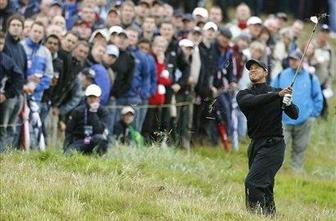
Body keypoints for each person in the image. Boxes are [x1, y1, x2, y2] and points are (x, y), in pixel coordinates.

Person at [237, 59, 299, 216]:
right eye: (250, 69)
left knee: (253, 182)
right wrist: (277, 95)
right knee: (265, 185)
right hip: (255, 145)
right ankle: (270, 216)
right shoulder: (244, 94)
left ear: (265, 72)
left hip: (273, 145)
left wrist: (288, 103)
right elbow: (253, 102)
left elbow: (295, 114)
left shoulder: (278, 92)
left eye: (256, 68)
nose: (252, 70)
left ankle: (256, 217)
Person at [271, 51, 323, 171]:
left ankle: (296, 172)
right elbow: (273, 93)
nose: (292, 62)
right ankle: (278, 171)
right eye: (291, 59)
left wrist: (312, 115)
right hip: (284, 120)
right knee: (280, 147)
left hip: (304, 120)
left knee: (300, 148)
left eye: (295, 59)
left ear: (302, 61)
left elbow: (318, 97)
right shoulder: (281, 75)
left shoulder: (311, 77)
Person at [64, 84, 109, 155]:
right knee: (68, 153)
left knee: (101, 139)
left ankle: (98, 157)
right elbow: (69, 131)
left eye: (94, 97)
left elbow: (100, 130)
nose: (92, 99)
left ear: (99, 98)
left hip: (94, 139)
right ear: (86, 98)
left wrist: (93, 112)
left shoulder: (103, 111)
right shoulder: (78, 111)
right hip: (81, 141)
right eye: (90, 97)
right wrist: (66, 146)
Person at [0, 31, 24, 152]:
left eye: (1, 43)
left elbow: (19, 78)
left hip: (3, 101)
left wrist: (6, 95)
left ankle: (4, 155)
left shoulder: (6, 61)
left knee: (4, 128)